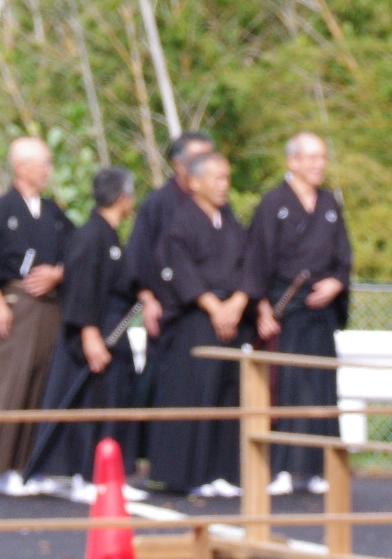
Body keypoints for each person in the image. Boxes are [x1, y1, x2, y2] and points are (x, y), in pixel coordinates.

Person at [0, 136, 74, 495]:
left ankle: (32, 464)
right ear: (22, 167)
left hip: (49, 307)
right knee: (9, 384)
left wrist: (59, 273)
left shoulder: (54, 213)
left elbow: (76, 249)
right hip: (14, 303)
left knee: (43, 384)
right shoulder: (0, 211)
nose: (48, 171)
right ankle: (1, 468)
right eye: (43, 163)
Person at [247, 132, 353, 497]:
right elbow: (256, 259)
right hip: (285, 310)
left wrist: (336, 285)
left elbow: (344, 258)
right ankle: (281, 468)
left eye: (322, 157)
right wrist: (261, 307)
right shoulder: (273, 203)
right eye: (310, 158)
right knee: (286, 387)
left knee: (322, 387)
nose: (318, 164)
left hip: (320, 313)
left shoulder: (329, 203)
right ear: (292, 162)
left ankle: (321, 467)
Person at [32, 167, 144, 503]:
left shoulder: (108, 235)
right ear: (123, 198)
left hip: (114, 329)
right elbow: (82, 287)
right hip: (94, 330)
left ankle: (113, 477)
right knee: (92, 403)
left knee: (116, 402)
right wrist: (90, 333)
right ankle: (86, 475)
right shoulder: (90, 236)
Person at [148, 150, 248, 499]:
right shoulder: (180, 223)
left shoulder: (231, 221)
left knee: (228, 392)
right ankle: (189, 472)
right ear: (194, 182)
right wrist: (212, 306)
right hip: (196, 317)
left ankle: (223, 471)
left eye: (227, 178)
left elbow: (250, 264)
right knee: (196, 392)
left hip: (233, 317)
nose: (225, 186)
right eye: (218, 178)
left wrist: (237, 302)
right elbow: (181, 269)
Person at [125, 132, 215, 415]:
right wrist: (147, 299)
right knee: (163, 379)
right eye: (197, 159)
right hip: (168, 309)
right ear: (178, 164)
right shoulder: (158, 203)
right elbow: (138, 256)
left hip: (209, 311)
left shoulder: (218, 206)